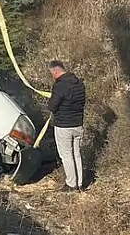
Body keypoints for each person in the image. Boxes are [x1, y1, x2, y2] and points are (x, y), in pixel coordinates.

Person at [47, 59, 86, 191]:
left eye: (52, 73)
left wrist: (51, 100)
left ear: (56, 70)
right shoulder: (79, 83)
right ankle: (79, 183)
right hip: (78, 124)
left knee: (66, 156)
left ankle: (71, 184)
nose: (53, 76)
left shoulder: (60, 86)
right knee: (76, 154)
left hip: (64, 126)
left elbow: (52, 106)